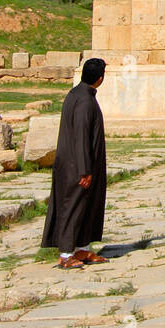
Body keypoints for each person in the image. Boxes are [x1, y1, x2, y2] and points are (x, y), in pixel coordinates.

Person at [41, 58, 109, 270]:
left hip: (75, 163)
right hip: (77, 167)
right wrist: (84, 170)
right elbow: (81, 136)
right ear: (99, 79)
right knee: (73, 207)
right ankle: (66, 254)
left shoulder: (77, 94)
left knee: (85, 207)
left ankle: (81, 247)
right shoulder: (85, 101)